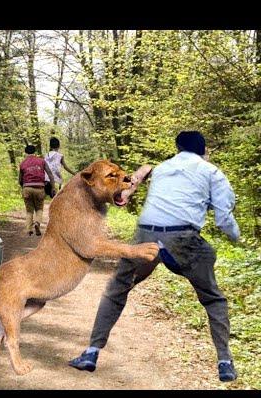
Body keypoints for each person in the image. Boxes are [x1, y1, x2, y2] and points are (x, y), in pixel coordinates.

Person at [69, 130, 241, 382]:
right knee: (213, 299)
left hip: (146, 237)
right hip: (184, 240)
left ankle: (91, 352)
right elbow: (225, 219)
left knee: (116, 290)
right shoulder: (212, 172)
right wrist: (236, 237)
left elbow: (145, 173)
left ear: (178, 148)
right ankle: (225, 362)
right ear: (204, 151)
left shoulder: (162, 168)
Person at [19, 144, 56, 236]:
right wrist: (53, 187)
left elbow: (20, 180)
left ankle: (28, 229)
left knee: (29, 210)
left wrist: (23, 187)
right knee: (39, 209)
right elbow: (50, 175)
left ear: (26, 152)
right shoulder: (41, 161)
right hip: (39, 188)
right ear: (34, 152)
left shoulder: (22, 163)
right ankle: (37, 223)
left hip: (27, 188)